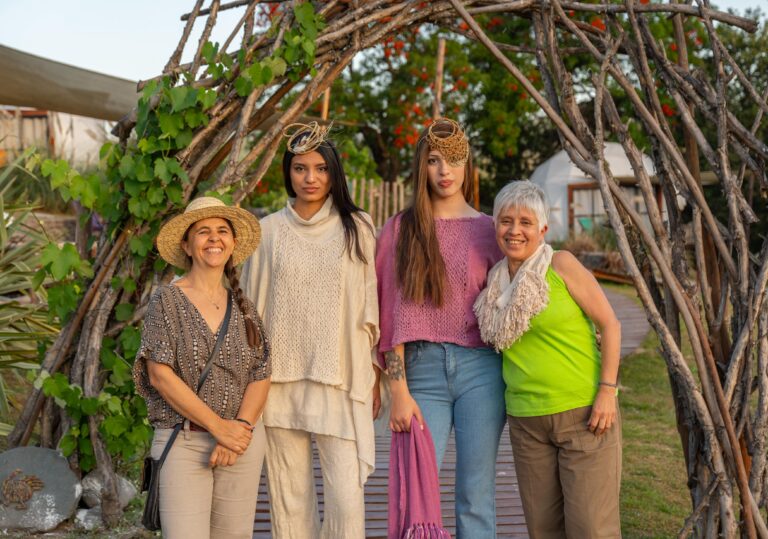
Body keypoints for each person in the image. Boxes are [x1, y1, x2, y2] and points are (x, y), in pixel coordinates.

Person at [241, 121, 380, 538]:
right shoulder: (267, 231)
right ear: (288, 172)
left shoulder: (357, 227)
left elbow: (370, 308)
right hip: (278, 384)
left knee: (346, 501)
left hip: (339, 382)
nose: (310, 178)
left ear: (333, 172)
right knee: (289, 499)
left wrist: (373, 376)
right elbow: (251, 310)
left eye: (320, 168)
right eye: (300, 168)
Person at [376, 118, 506, 538]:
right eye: (434, 160)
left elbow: (514, 301)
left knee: (475, 493)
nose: (444, 170)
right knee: (418, 493)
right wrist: (398, 391)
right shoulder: (400, 229)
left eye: (453, 159)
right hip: (421, 372)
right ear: (422, 167)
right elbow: (388, 314)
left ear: (468, 164)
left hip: (482, 371)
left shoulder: (490, 231)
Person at [474, 180, 622, 538]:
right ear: (495, 226)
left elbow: (610, 324)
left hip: (584, 414)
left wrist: (607, 391)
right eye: (506, 221)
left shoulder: (561, 265)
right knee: (543, 530)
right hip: (527, 421)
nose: (514, 230)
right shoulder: (494, 282)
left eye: (525, 222)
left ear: (542, 229)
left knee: (591, 529)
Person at [132, 196, 271, 538]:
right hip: (184, 442)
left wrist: (238, 429)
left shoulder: (244, 306)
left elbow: (261, 372)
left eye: (222, 231)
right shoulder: (167, 300)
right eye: (203, 231)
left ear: (232, 243)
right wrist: (218, 428)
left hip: (240, 446)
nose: (214, 238)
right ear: (187, 245)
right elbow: (159, 375)